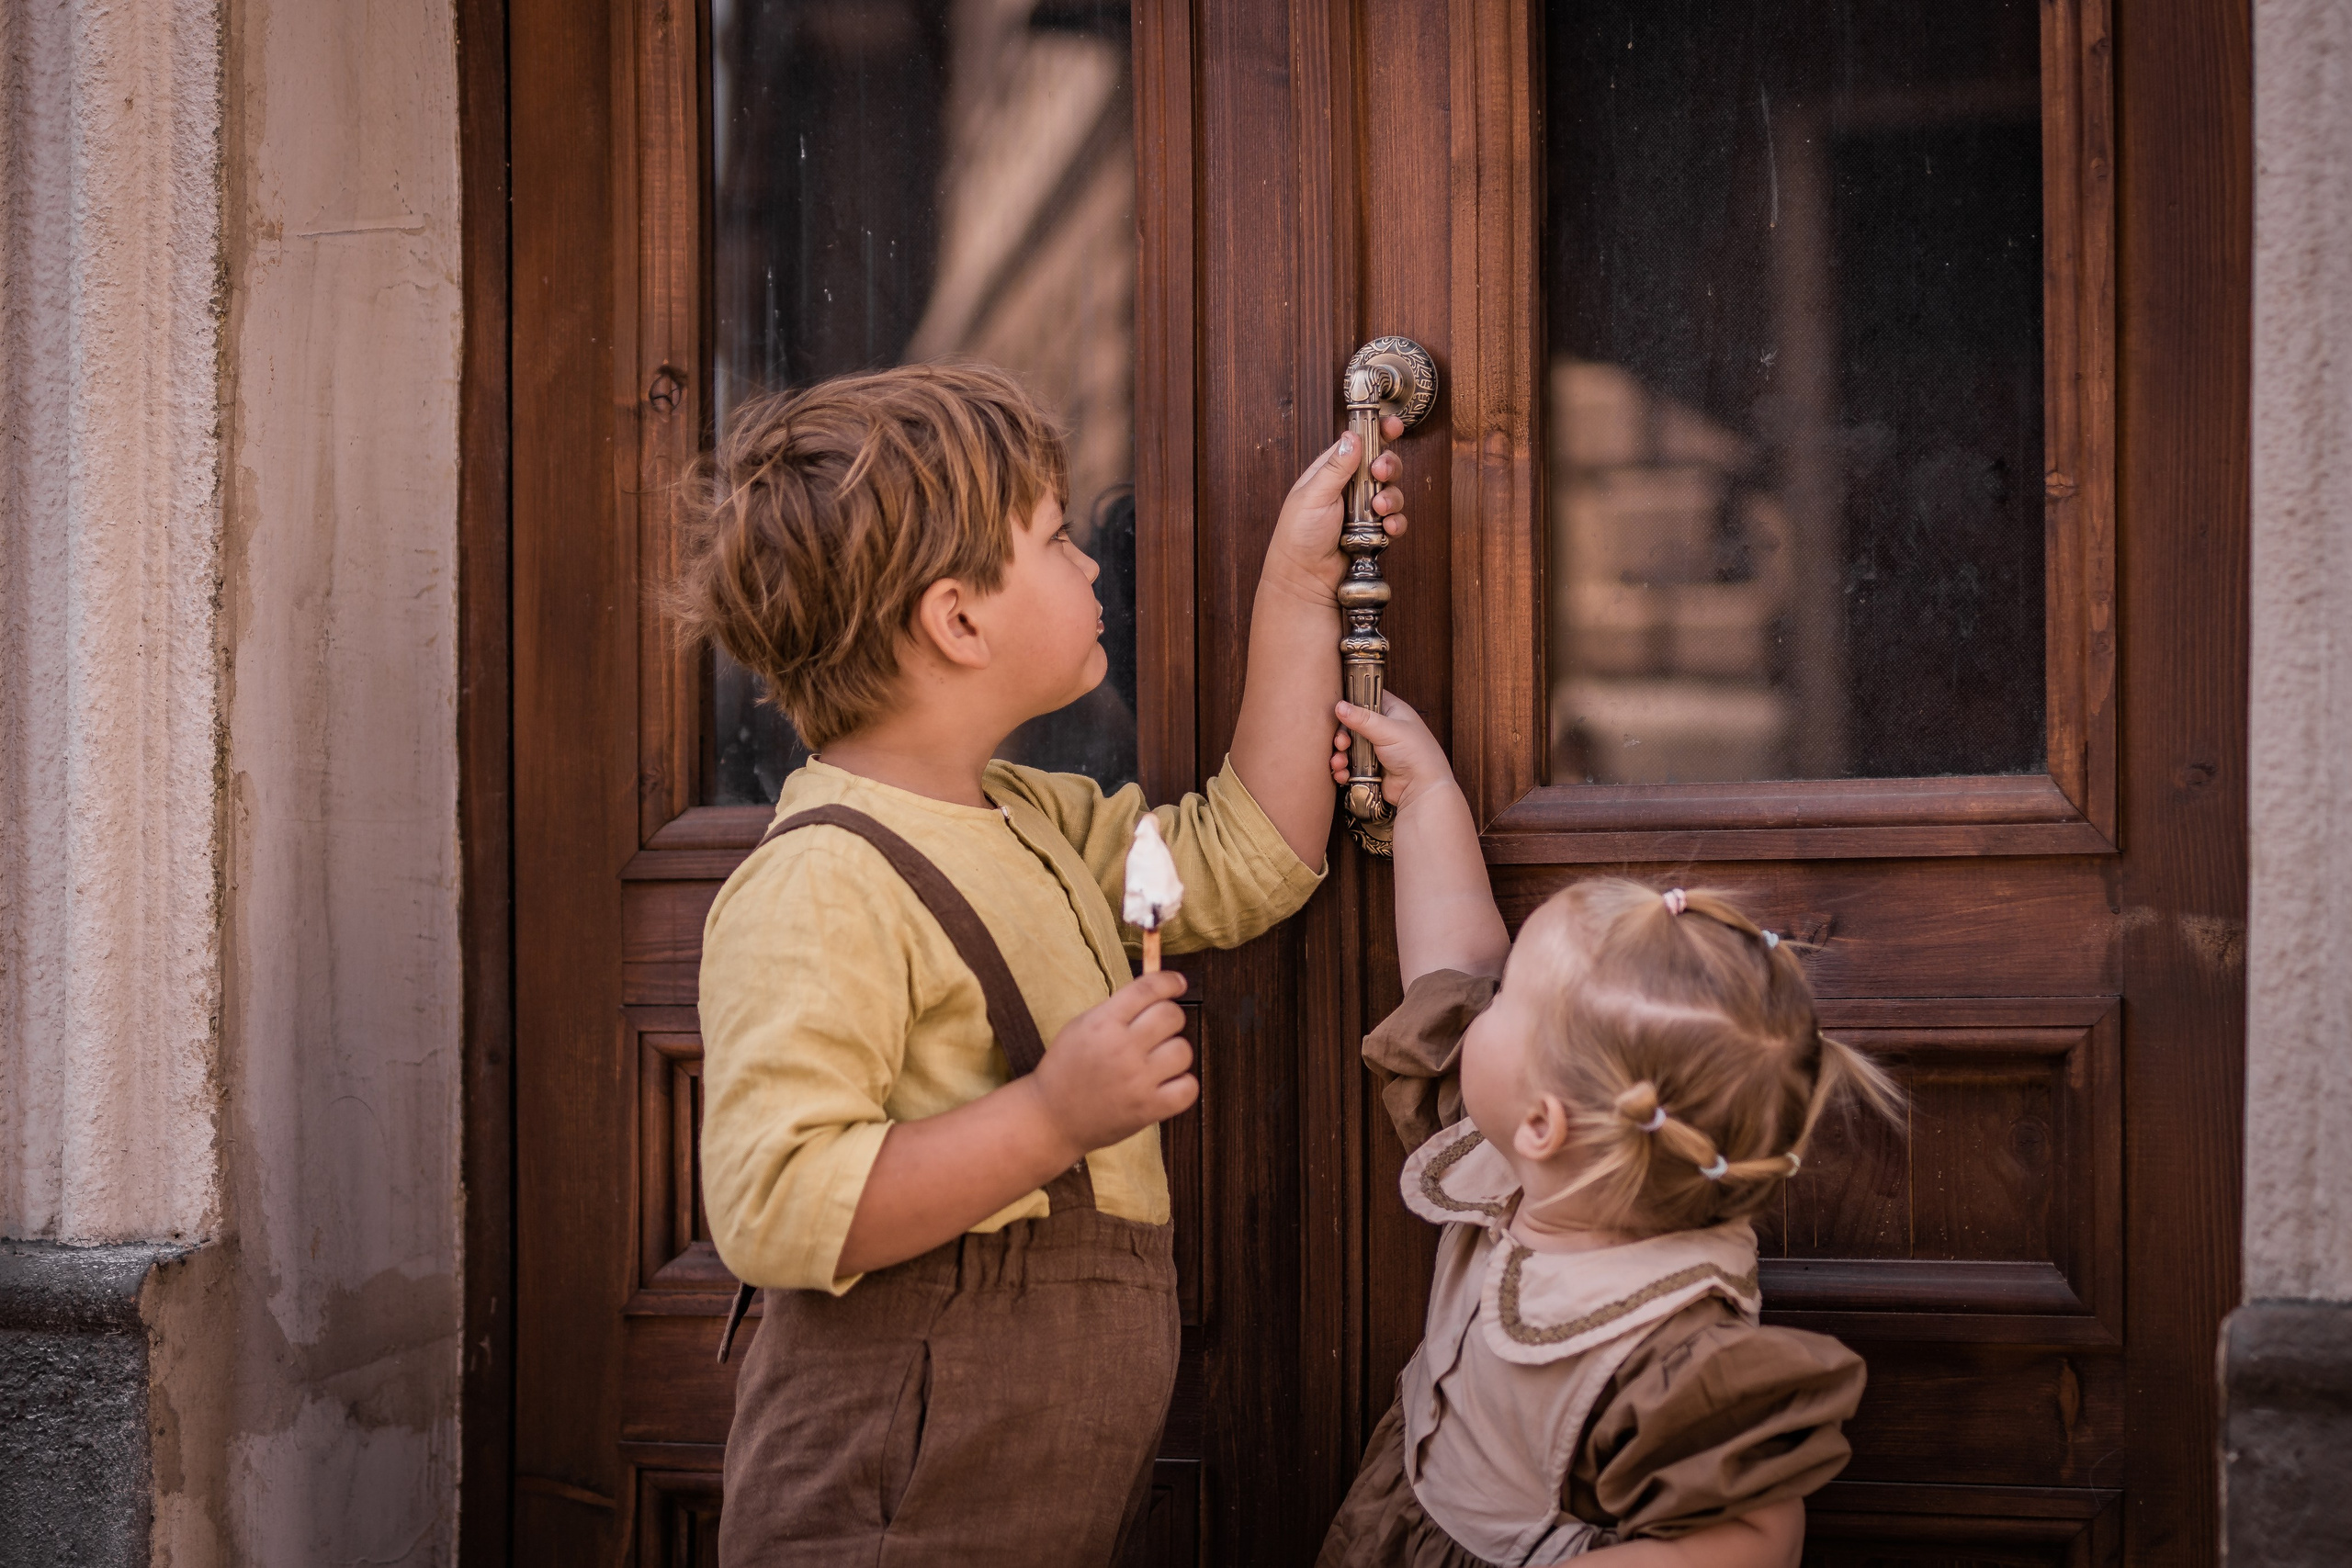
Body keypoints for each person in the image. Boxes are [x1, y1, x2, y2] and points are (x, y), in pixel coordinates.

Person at [677, 360, 1410, 1566]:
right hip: (890, 1514)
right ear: (958, 621)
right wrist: (1052, 1115)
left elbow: (1250, 850)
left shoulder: (1032, 819)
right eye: (1057, 539)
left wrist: (1297, 581)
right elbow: (776, 1203)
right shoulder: (819, 879)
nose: (1091, 565)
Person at [1317, 694, 1903, 1567]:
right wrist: (1428, 793)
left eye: (1506, 997)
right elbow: (1454, 962)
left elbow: (1758, 1535)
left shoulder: (1664, 1345)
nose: (1479, 999)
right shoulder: (1526, 1159)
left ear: (1544, 1121)